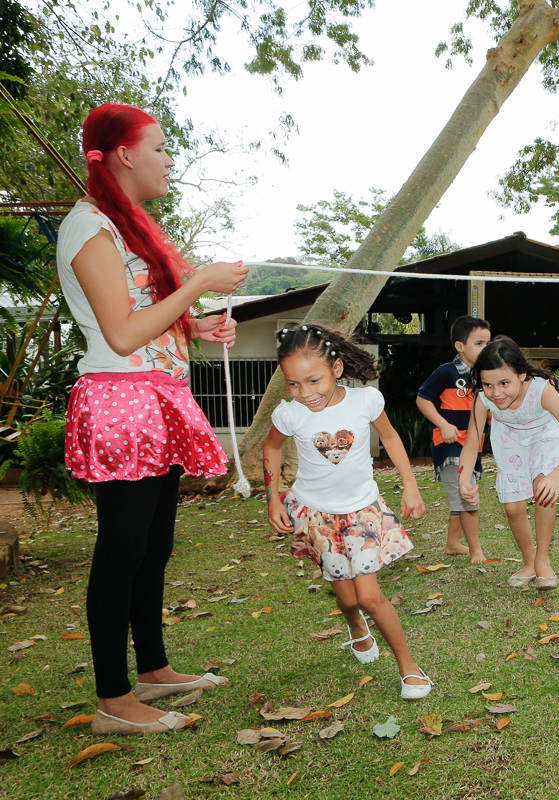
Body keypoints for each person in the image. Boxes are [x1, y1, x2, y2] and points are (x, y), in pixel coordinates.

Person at [57, 103, 248, 735]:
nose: (170, 160)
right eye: (161, 148)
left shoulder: (127, 225)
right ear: (123, 154)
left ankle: (154, 670)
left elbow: (151, 320)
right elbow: (120, 331)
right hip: (120, 402)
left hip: (154, 395)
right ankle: (113, 699)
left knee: (154, 546)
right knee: (121, 549)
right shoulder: (88, 227)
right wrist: (198, 285)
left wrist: (198, 323)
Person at [263, 324, 432, 699]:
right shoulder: (290, 414)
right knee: (348, 598)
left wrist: (410, 484)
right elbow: (271, 449)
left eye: (313, 381)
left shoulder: (365, 401)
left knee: (370, 595)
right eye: (294, 384)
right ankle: (355, 626)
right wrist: (273, 496)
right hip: (318, 516)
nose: (305, 393)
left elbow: (389, 436)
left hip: (361, 513)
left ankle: (408, 667)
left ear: (336, 369)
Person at [459, 336, 559, 590]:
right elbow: (472, 442)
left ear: (521, 374)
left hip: (546, 434)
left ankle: (542, 560)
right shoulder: (483, 398)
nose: (496, 393)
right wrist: (464, 478)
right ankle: (529, 562)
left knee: (543, 487)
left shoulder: (542, 391)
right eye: (488, 384)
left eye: (504, 383)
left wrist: (556, 475)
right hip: (511, 438)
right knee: (513, 508)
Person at [416, 316, 491, 563]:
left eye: (487, 343)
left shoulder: (485, 376)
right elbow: (422, 399)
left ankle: (452, 544)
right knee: (467, 493)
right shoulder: (446, 372)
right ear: (460, 346)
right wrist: (443, 424)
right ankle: (476, 550)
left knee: (460, 497)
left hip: (472, 446)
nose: (485, 349)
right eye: (479, 343)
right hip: (450, 445)